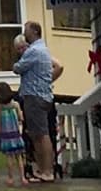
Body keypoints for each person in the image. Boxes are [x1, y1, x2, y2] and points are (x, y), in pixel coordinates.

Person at [13, 21, 65, 182]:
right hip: (44, 95)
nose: (24, 33)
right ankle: (43, 169)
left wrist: (17, 64)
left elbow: (18, 68)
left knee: (41, 135)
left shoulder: (34, 50)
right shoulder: (44, 49)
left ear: (35, 31)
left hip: (35, 97)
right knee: (37, 134)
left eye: (26, 30)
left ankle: (47, 171)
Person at [0, 82, 28, 188]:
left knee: (9, 158)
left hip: (6, 135)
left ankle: (11, 177)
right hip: (16, 134)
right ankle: (23, 177)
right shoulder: (15, 104)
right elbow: (21, 117)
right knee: (19, 157)